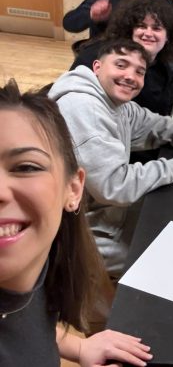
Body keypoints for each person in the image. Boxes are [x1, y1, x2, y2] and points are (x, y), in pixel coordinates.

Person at [0, 79, 152, 366]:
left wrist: (78, 347)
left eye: (25, 167)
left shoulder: (38, 260)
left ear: (73, 189)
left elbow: (28, 320)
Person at [48, 39, 173, 277]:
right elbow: (114, 186)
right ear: (97, 67)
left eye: (139, 72)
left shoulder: (115, 103)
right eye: (121, 65)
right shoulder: (84, 108)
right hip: (77, 231)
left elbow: (151, 123)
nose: (130, 76)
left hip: (105, 212)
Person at [71, 0, 173, 116]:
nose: (148, 33)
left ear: (167, 36)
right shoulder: (99, 54)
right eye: (141, 26)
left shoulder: (164, 67)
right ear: (131, 30)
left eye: (156, 28)